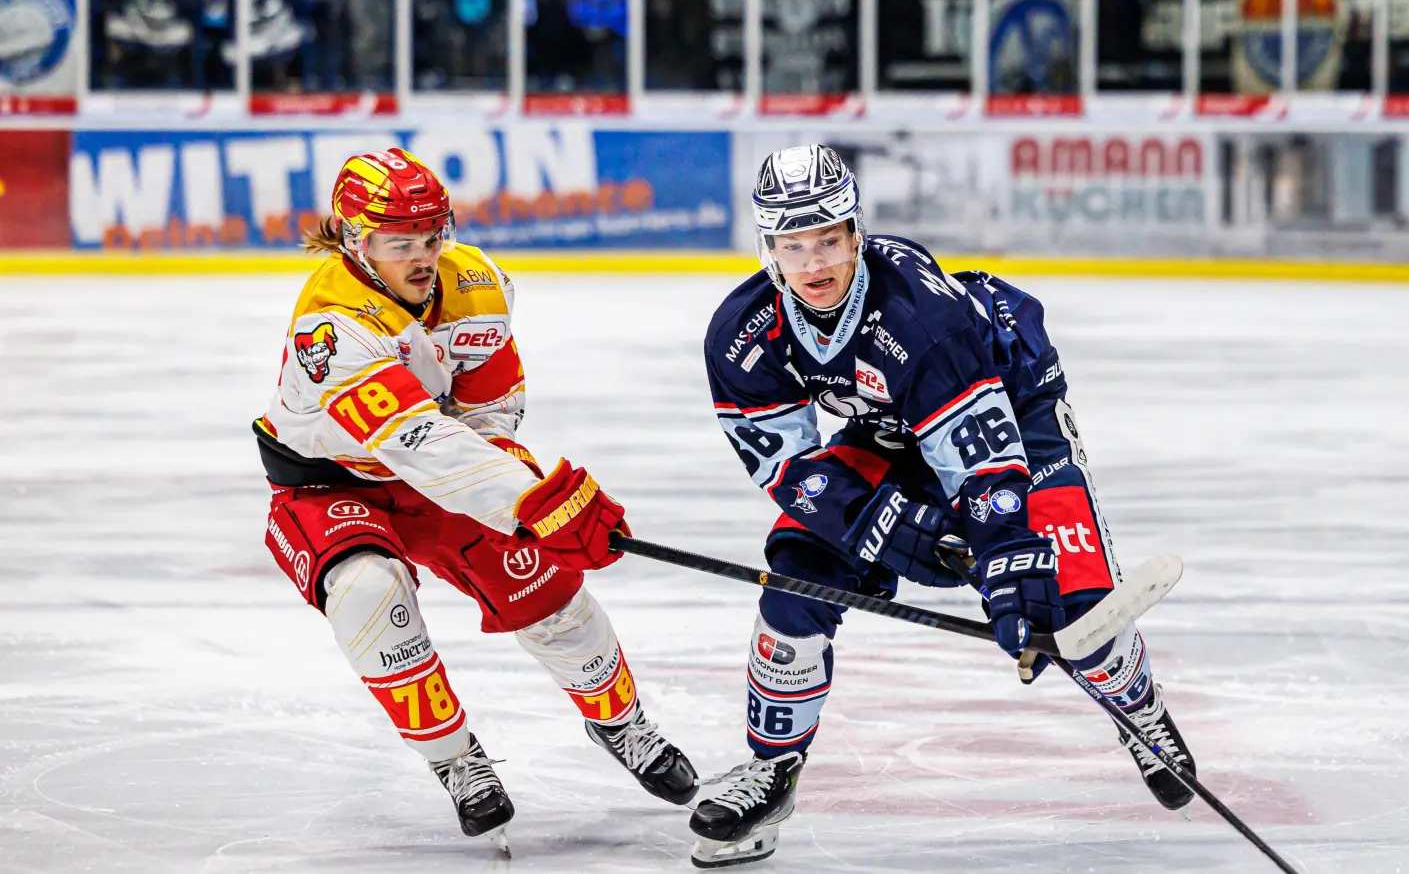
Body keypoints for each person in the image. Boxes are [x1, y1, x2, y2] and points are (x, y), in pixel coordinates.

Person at [689, 145, 1196, 867]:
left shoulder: (922, 315)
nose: (814, 263)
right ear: (767, 247)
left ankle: (1140, 711)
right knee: (797, 577)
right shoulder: (742, 335)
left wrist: (1003, 563)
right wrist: (893, 530)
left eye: (829, 239)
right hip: (890, 427)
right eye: (793, 245)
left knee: (1068, 605)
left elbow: (985, 468)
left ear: (856, 232)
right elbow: (791, 469)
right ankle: (771, 771)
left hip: (1014, 413)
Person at [256, 147, 696, 851]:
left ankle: (621, 722)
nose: (423, 256)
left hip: (441, 473)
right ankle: (456, 759)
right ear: (353, 239)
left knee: (547, 590)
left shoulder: (480, 286)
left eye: (432, 236)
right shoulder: (330, 327)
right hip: (326, 483)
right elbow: (417, 440)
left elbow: (488, 414)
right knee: (369, 593)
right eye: (401, 243)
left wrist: (527, 502)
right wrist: (535, 501)